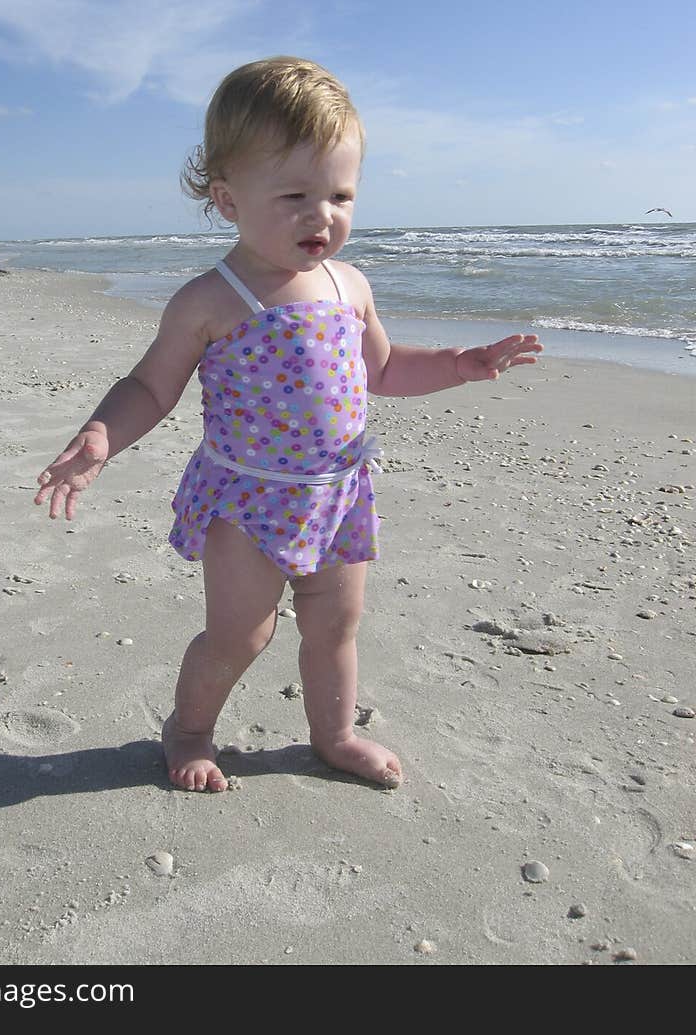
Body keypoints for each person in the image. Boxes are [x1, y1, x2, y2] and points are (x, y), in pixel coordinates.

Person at [34, 57, 542, 793]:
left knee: (335, 624)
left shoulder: (350, 284)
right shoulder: (212, 298)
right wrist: (102, 435)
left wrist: (460, 362)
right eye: (297, 194)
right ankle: (191, 728)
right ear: (228, 198)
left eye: (340, 194)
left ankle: (335, 733)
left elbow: (385, 368)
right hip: (249, 500)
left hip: (338, 492)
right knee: (243, 633)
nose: (323, 215)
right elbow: (150, 384)